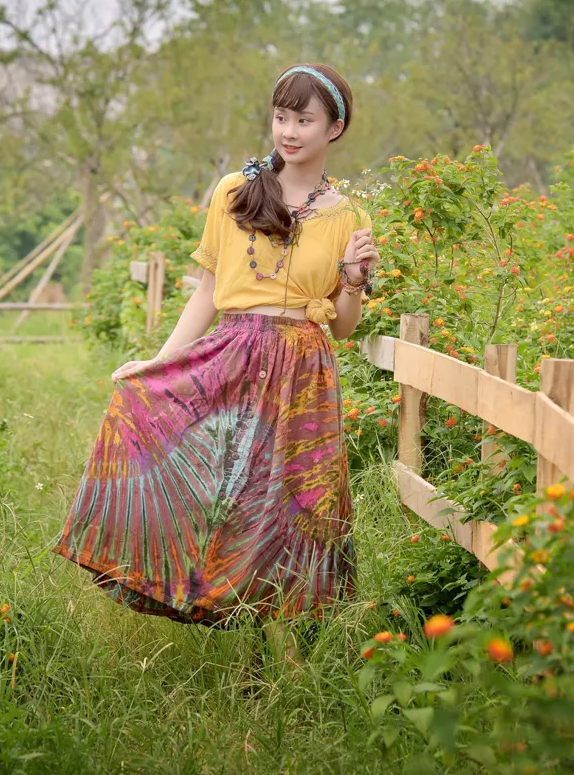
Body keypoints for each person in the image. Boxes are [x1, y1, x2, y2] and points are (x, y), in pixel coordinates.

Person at [51, 63, 379, 664]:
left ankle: (292, 650)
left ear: (334, 128)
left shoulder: (348, 218)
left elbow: (344, 325)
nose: (288, 130)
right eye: (281, 116)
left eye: (303, 119)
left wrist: (355, 281)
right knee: (225, 488)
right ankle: (228, 617)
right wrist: (157, 363)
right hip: (234, 355)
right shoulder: (235, 191)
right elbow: (206, 293)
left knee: (292, 502)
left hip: (305, 371)